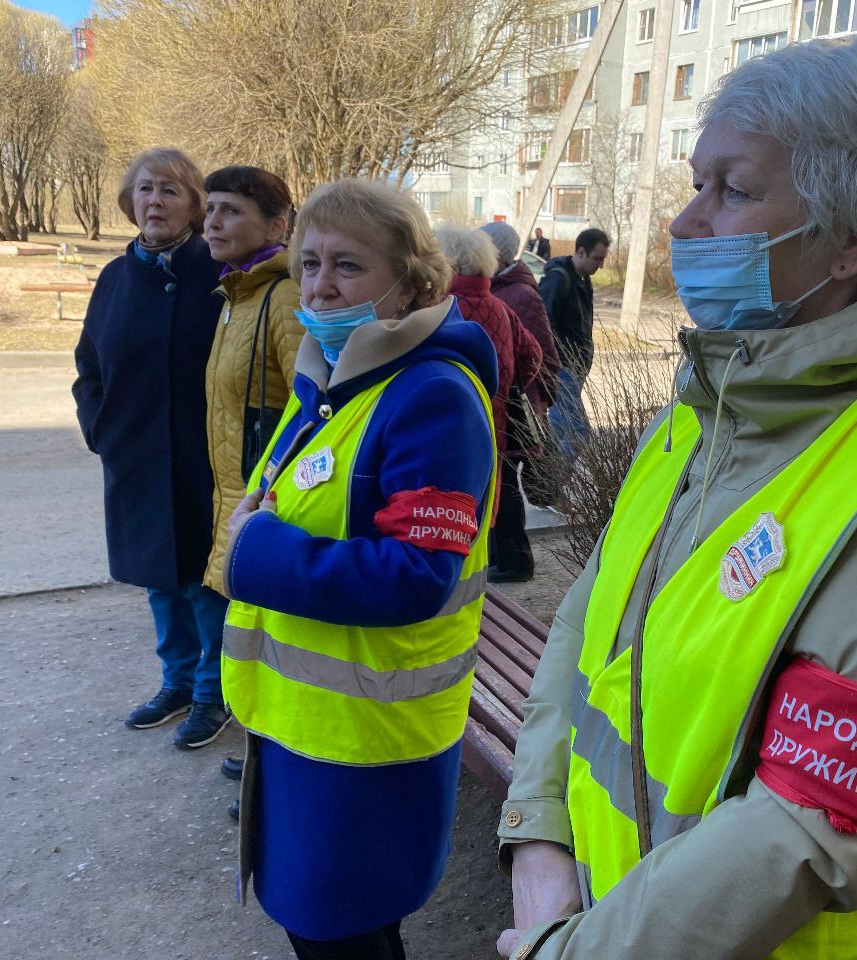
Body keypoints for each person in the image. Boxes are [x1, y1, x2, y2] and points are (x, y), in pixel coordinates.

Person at [496, 28, 857, 960]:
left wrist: (574, 952)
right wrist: (539, 838)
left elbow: (815, 825)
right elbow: (590, 620)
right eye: (695, 184)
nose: (686, 223)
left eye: (733, 190)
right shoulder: (714, 402)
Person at [219, 178, 497, 960]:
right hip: (310, 722)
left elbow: (415, 574)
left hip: (368, 734)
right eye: (308, 263)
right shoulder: (334, 382)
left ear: (410, 281)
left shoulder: (430, 396)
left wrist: (256, 554)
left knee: (335, 929)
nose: (319, 284)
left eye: (348, 265)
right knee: (349, 922)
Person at [72, 147, 229, 749]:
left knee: (203, 579)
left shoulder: (217, 272)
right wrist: (101, 429)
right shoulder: (116, 277)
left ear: (194, 205)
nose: (155, 201)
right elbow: (89, 365)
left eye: (169, 190)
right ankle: (178, 682)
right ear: (129, 201)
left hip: (202, 454)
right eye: (144, 190)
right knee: (159, 578)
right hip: (135, 454)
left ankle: (214, 693)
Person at [201, 165, 304, 765]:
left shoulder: (283, 297)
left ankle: (271, 755)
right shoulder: (235, 294)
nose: (213, 221)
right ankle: (258, 745)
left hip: (263, 503)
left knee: (268, 634)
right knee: (243, 633)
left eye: (231, 210)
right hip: (230, 494)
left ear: (276, 223)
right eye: (210, 208)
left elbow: (309, 414)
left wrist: (269, 499)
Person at [436, 226, 543, 568]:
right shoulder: (499, 307)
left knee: (453, 493)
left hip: (449, 419)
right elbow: (534, 354)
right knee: (493, 491)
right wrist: (507, 384)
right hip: (495, 417)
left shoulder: (437, 308)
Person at [482, 220, 561, 582]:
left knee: (509, 486)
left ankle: (516, 561)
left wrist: (533, 400)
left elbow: (545, 355)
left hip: (515, 407)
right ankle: (501, 557)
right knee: (498, 481)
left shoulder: (520, 295)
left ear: (497, 253)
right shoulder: (499, 288)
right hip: (504, 403)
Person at [539, 227, 608, 462]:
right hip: (562, 369)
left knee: (560, 431)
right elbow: (542, 324)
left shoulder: (582, 279)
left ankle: (548, 491)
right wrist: (556, 362)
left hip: (574, 369)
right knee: (576, 432)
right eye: (597, 259)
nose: (600, 266)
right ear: (581, 251)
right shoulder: (558, 279)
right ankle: (552, 489)